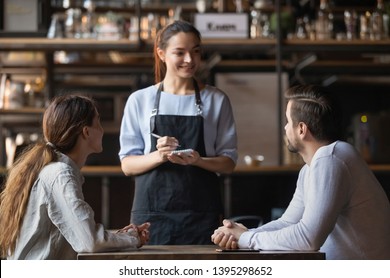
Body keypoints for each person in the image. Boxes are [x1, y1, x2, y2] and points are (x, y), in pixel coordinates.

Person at [211, 84, 390, 260]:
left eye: (288, 121)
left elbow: (308, 238)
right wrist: (241, 234)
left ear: (302, 129)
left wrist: (245, 238)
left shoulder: (331, 158)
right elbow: (288, 222)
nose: (285, 128)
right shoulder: (311, 167)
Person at [119, 20, 238, 245]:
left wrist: (198, 160)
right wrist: (159, 155)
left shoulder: (217, 100)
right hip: (151, 217)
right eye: (179, 53)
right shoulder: (140, 100)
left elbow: (228, 163)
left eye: (195, 52)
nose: (189, 60)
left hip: (202, 215)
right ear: (161, 53)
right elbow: (127, 165)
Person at [0, 94, 150, 260]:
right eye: (98, 122)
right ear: (86, 132)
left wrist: (122, 237)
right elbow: (90, 242)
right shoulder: (61, 174)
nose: (102, 129)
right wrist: (132, 239)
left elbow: (84, 235)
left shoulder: (54, 170)